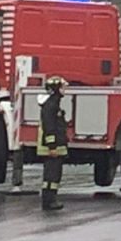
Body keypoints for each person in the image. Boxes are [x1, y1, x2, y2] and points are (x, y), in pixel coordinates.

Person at [39, 75, 70, 210]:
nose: (64, 89)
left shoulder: (54, 104)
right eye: (62, 87)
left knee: (54, 174)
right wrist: (52, 146)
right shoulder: (51, 105)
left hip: (56, 147)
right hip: (52, 147)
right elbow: (50, 127)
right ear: (56, 88)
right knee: (51, 175)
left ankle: (51, 199)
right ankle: (49, 201)